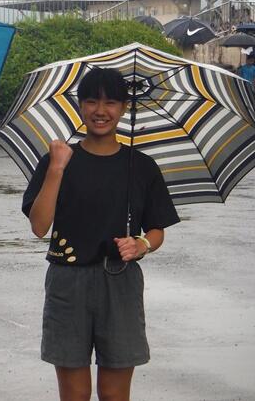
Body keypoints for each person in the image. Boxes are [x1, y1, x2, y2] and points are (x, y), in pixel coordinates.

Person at [22, 68, 179, 401]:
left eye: (110, 102)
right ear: (80, 106)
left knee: (113, 393)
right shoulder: (58, 159)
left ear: (124, 107)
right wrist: (57, 168)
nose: (100, 111)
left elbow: (157, 230)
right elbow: (39, 226)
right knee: (75, 394)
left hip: (121, 282)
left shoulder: (142, 166)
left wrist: (141, 244)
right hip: (68, 282)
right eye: (92, 101)